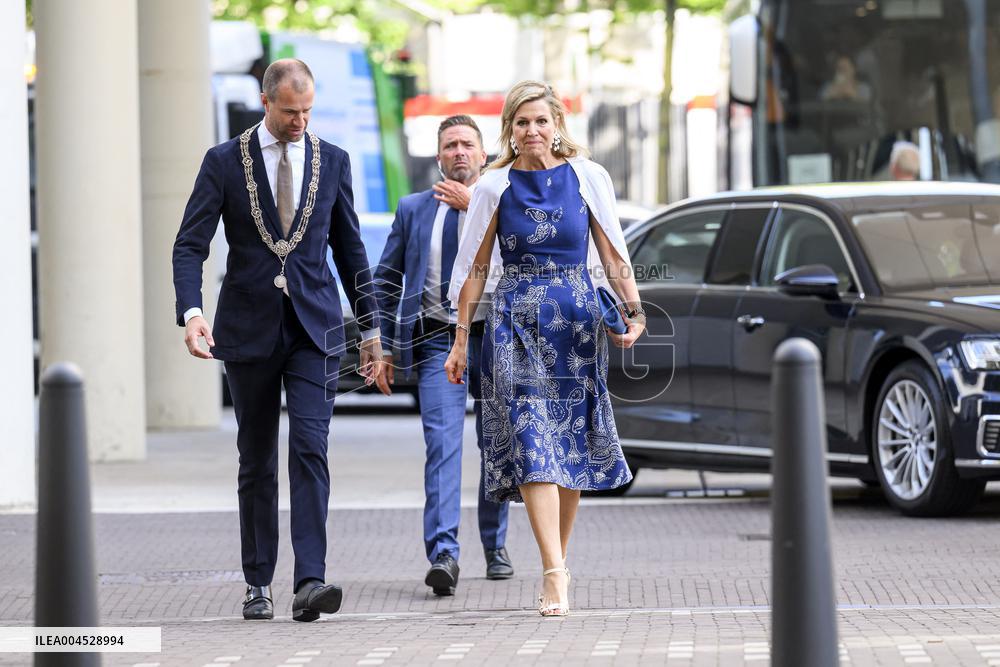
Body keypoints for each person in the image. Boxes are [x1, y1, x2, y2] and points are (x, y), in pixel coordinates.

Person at [172, 59, 387, 622]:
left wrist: (370, 329)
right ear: (266, 102)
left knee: (311, 447)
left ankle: (310, 581)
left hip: (315, 329)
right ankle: (258, 582)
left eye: (308, 111)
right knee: (256, 457)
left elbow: (351, 250)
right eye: (291, 111)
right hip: (247, 329)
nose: (300, 121)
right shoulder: (223, 161)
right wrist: (192, 313)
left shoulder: (333, 160)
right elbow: (190, 244)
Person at [443, 81, 645, 617]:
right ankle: (554, 572)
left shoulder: (588, 177)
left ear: (556, 124)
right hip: (514, 324)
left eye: (540, 121)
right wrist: (460, 340)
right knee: (534, 443)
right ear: (510, 128)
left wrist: (636, 311)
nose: (531, 130)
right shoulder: (494, 185)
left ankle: (559, 561)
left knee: (569, 448)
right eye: (522, 122)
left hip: (577, 326)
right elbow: (475, 268)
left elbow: (613, 252)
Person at [373, 116, 514, 596]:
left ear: (483, 155)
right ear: (438, 157)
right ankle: (444, 554)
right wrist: (381, 343)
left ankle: (495, 544)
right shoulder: (413, 209)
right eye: (450, 145)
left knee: (495, 443)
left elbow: (522, 257)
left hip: (492, 337)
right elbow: (387, 279)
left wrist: (475, 204)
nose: (459, 152)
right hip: (436, 339)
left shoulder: (502, 201)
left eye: (467, 144)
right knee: (442, 445)